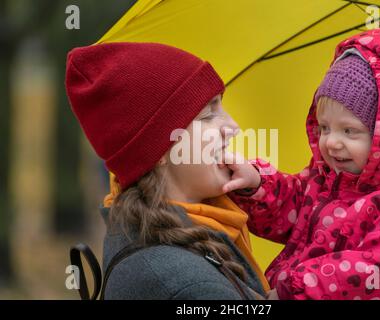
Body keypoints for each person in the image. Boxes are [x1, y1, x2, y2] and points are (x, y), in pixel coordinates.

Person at [222, 27, 380, 300]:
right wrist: (257, 184)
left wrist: (297, 290)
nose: (331, 142)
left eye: (349, 131)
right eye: (325, 127)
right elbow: (293, 206)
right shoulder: (327, 178)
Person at [65, 42, 271, 299]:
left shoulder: (138, 227)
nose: (233, 126)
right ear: (160, 150)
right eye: (208, 115)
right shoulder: (190, 286)